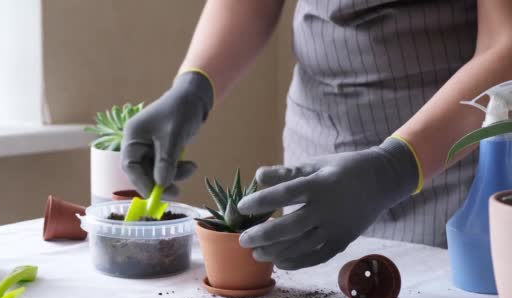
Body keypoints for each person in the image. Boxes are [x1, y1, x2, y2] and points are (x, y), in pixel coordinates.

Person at [121, 0, 512, 270]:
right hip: (318, 143)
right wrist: (194, 87)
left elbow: (504, 44)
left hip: (459, 161)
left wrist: (394, 167)